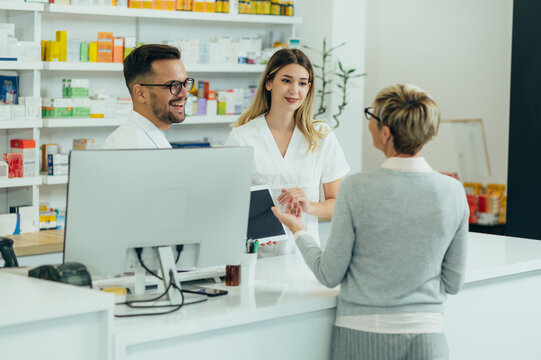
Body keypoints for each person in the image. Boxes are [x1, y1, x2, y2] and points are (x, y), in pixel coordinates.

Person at [272, 84, 469, 359]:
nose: (369, 124)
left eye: (371, 117)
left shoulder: (357, 188)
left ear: (385, 133)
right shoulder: (453, 191)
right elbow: (453, 282)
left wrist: (298, 229)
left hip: (363, 336)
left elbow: (329, 274)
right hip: (428, 339)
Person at [225, 48, 350, 257]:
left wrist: (309, 206)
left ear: (309, 88)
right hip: (255, 256)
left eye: (302, 83)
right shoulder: (242, 137)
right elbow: (226, 202)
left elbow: (337, 203)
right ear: (269, 83)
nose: (295, 90)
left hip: (305, 256)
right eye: (286, 80)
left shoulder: (321, 136)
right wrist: (252, 228)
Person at [103, 44, 194, 149]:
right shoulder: (134, 147)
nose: (185, 93)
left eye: (186, 83)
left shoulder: (140, 138)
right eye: (173, 85)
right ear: (141, 94)